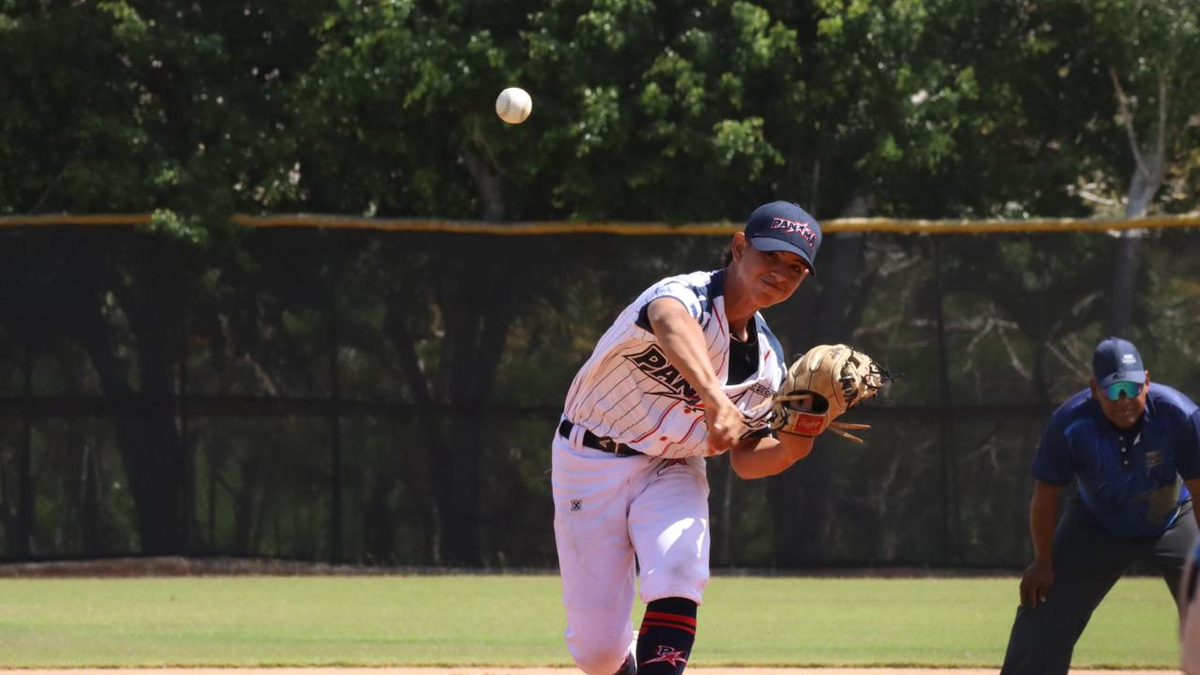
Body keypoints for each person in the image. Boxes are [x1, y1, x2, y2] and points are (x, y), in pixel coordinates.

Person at [551, 201, 826, 675]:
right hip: (590, 457)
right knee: (597, 653)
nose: (781, 273)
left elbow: (746, 459)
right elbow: (667, 320)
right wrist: (715, 399)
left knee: (679, 570)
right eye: (772, 257)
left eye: (796, 268)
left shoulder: (768, 365)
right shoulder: (685, 295)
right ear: (739, 248)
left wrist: (798, 442)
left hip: (673, 467)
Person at [1000, 336, 1200, 674]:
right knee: (1043, 603)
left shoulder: (1181, 416)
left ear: (1147, 382)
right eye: (1113, 390)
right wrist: (1042, 561)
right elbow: (1046, 494)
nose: (1124, 399)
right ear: (1095, 389)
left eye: (1132, 387)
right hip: (1096, 523)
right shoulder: (1070, 423)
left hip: (1171, 519)